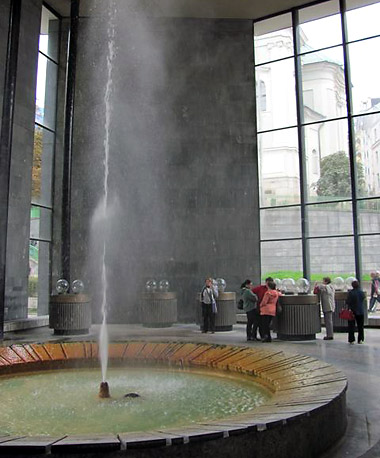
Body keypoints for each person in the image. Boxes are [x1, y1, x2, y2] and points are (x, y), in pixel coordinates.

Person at [346, 280, 366, 344]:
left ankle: (351, 340)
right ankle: (360, 339)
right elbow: (363, 298)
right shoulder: (361, 292)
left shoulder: (351, 293)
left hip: (352, 311)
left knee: (351, 326)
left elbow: (348, 302)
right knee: (360, 326)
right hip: (360, 311)